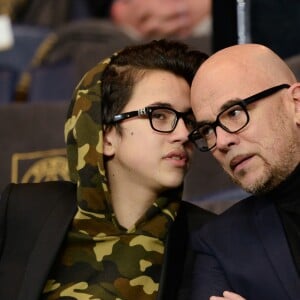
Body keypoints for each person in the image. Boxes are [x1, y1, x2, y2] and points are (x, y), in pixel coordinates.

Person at [0, 39, 215, 299]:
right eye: (159, 115)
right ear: (107, 135)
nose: (184, 134)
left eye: (189, 120)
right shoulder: (23, 210)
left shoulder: (209, 239)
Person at [188, 43, 300, 299]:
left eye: (235, 113)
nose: (222, 141)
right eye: (207, 130)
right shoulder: (220, 243)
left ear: (295, 104)